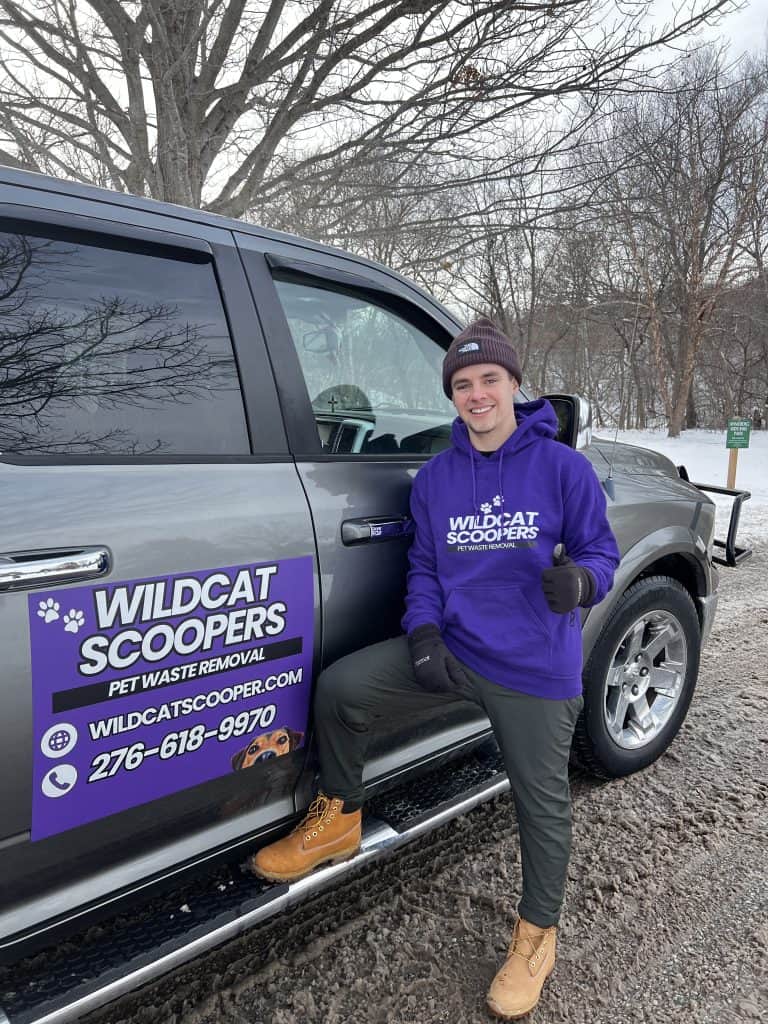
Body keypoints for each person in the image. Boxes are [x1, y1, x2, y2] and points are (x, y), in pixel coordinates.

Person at [249, 317, 621, 1020]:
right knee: (340, 691)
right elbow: (423, 567)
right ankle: (339, 818)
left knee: (540, 805)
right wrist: (422, 634)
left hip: (533, 665)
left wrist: (583, 585)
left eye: (489, 380)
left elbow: (602, 551)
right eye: (462, 384)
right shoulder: (437, 479)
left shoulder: (561, 468)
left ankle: (537, 937)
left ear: (514, 385)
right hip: (453, 651)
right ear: (451, 396)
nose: (477, 394)